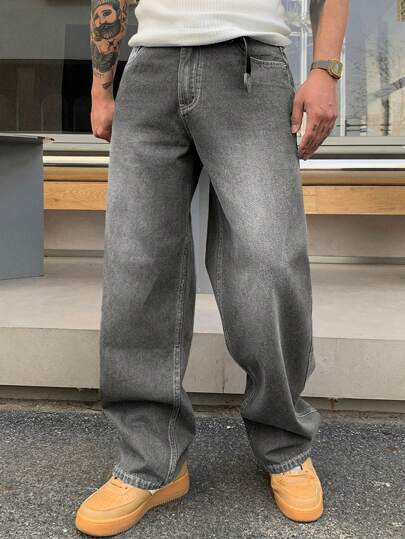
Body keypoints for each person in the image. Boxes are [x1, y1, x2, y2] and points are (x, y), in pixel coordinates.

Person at [75, 0, 348, 536]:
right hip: (150, 68)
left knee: (269, 260)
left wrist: (325, 69)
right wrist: (101, 85)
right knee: (138, 268)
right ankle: (149, 461)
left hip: (251, 64)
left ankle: (285, 445)